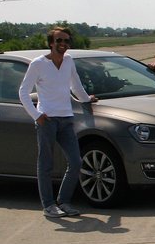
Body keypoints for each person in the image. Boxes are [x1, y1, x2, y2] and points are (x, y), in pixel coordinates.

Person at [17, 26, 98, 218]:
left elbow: (75, 85)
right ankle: (49, 205)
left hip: (66, 118)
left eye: (66, 41)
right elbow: (23, 92)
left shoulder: (68, 61)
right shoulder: (38, 64)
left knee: (76, 162)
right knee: (46, 164)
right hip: (47, 120)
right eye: (59, 40)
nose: (63, 44)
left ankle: (64, 202)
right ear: (51, 43)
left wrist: (86, 99)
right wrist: (37, 115)